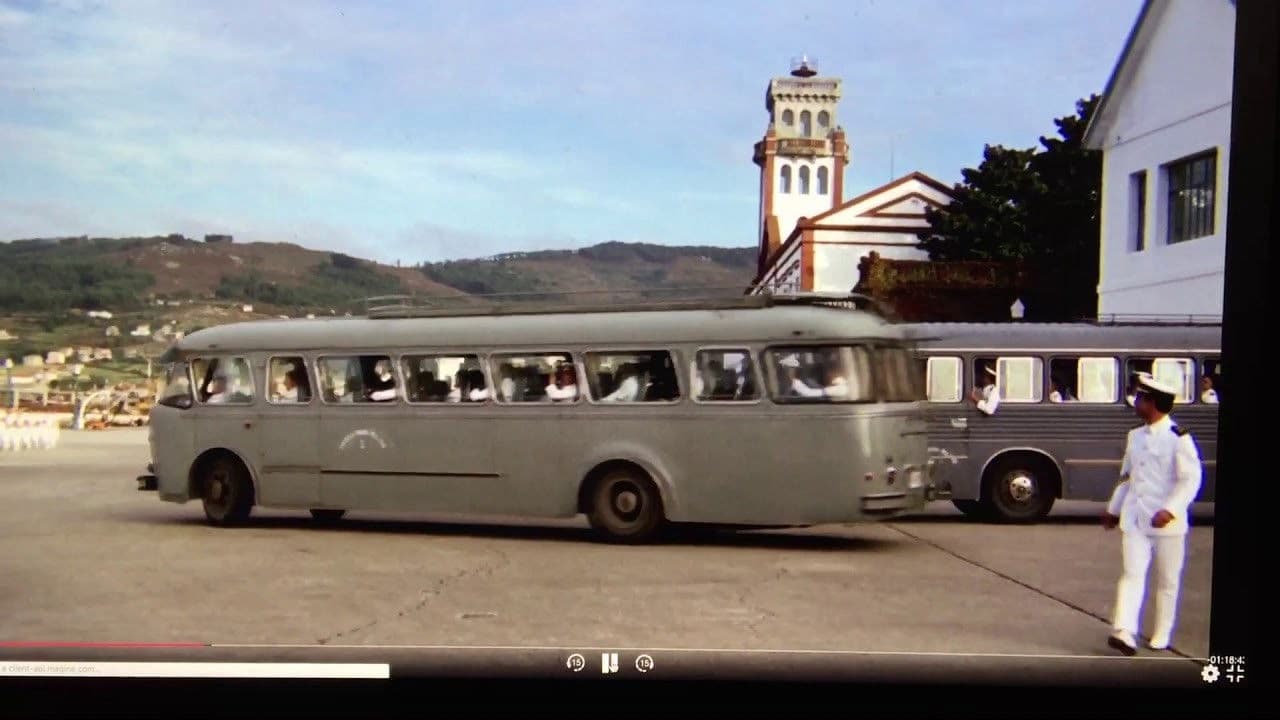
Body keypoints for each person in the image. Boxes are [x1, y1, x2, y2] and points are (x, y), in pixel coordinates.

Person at [1102, 372, 1203, 655]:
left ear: (1154, 403)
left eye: (1141, 398)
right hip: (1135, 519)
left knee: (1167, 580)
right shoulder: (1134, 436)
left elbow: (1190, 480)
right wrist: (1113, 509)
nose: (1136, 402)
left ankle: (1162, 632)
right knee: (1131, 574)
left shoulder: (1178, 438)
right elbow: (1127, 477)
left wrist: (1170, 509)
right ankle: (1124, 631)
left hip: (1166, 524)